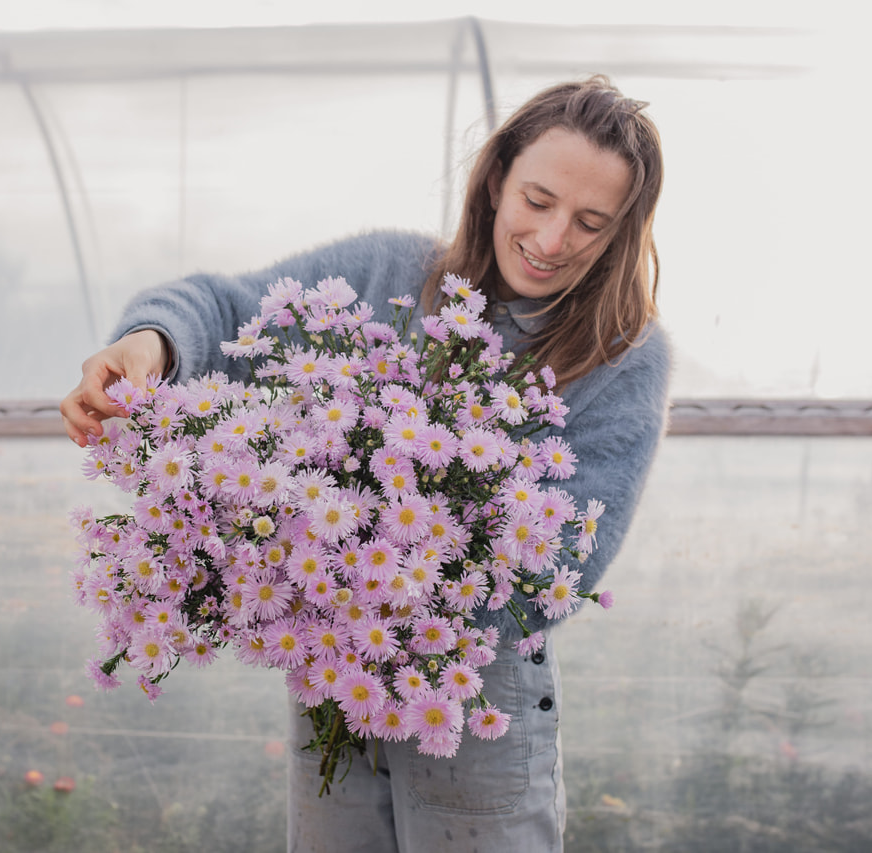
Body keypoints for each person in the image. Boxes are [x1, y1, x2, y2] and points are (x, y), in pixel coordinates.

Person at [60, 75, 670, 853]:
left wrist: (341, 576)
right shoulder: (391, 274)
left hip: (470, 694)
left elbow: (559, 566)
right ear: (494, 182)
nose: (552, 241)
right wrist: (150, 343)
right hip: (338, 689)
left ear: (623, 232)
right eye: (538, 201)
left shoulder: (626, 362)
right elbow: (224, 308)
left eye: (590, 222)